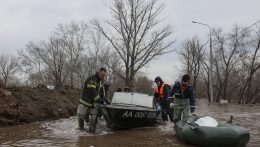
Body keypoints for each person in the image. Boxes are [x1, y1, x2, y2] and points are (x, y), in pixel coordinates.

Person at [77, 67, 106, 133]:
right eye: (102, 75)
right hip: (85, 101)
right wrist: (100, 100)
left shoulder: (101, 81)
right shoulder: (92, 79)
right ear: (99, 72)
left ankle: (91, 134)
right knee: (81, 116)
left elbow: (102, 92)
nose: (103, 77)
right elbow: (92, 91)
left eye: (104, 75)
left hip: (94, 103)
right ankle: (81, 131)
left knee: (93, 118)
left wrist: (104, 100)